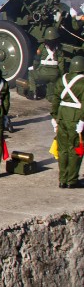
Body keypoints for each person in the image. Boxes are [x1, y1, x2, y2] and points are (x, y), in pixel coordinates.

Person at [48, 55, 84, 188]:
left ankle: (62, 180)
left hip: (61, 117)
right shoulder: (82, 83)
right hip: (75, 118)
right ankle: (72, 180)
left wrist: (54, 117)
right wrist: (82, 121)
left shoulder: (62, 80)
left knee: (62, 149)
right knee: (75, 149)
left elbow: (55, 99)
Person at [26, 27, 64, 99]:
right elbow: (61, 65)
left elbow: (37, 60)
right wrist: (60, 76)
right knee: (50, 94)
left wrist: (35, 67)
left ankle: (33, 93)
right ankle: (51, 97)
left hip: (43, 74)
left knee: (31, 73)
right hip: (54, 75)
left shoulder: (42, 47)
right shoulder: (59, 49)